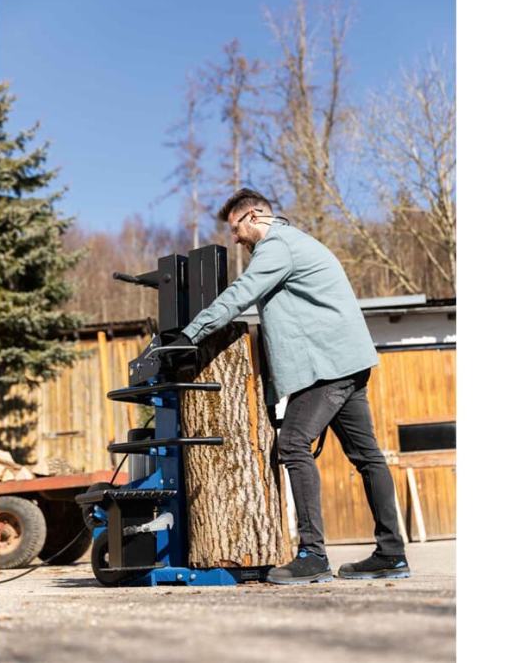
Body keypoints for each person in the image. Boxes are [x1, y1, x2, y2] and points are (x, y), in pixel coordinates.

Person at [170, 188, 410, 584]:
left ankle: (313, 555)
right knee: (367, 457)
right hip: (345, 361)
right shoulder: (297, 242)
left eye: (236, 229)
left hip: (327, 366)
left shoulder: (277, 246)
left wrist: (189, 336)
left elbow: (241, 293)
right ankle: (392, 554)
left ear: (254, 217)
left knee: (294, 444)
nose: (235, 239)